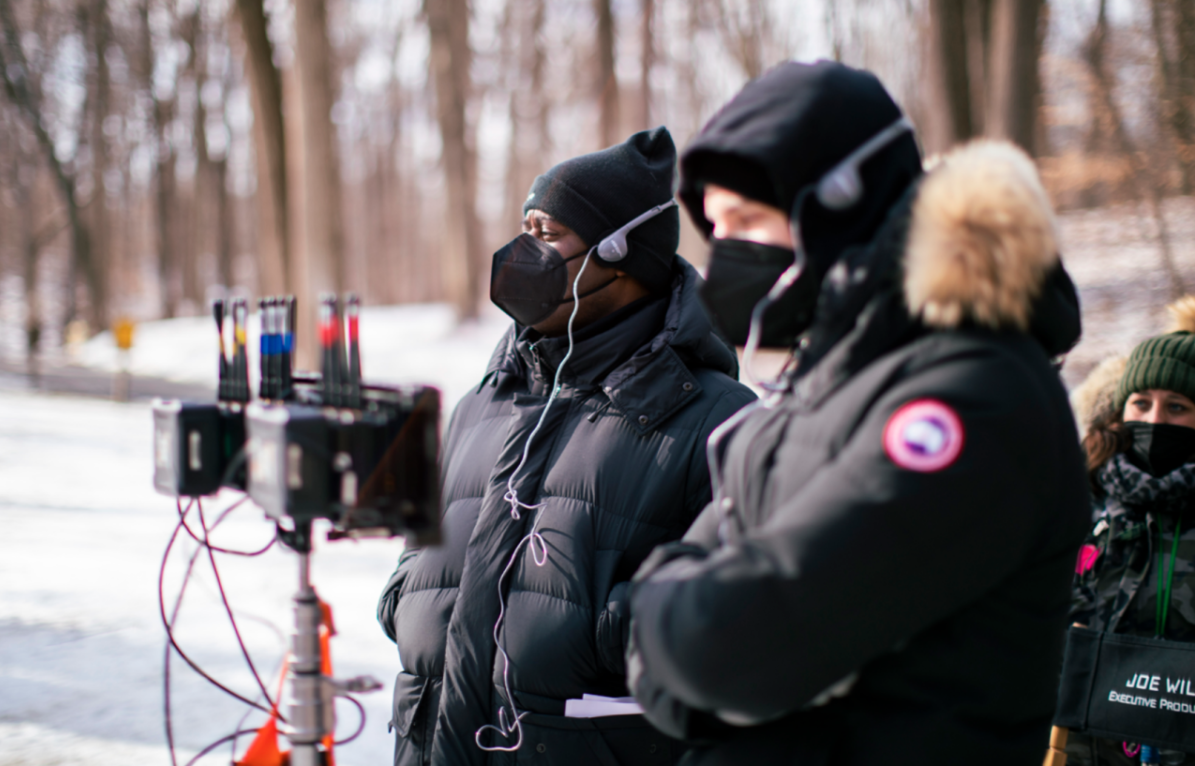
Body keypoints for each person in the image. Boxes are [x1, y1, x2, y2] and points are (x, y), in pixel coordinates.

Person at [624, 60, 1091, 766]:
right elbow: (660, 644)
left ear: (842, 202)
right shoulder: (813, 389)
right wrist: (678, 639)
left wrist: (679, 634)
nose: (726, 253)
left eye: (748, 220)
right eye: (716, 229)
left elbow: (735, 646)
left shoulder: (977, 395)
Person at [376, 127, 756, 766]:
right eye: (526, 228)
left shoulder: (716, 421)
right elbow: (414, 563)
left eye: (549, 234)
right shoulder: (480, 404)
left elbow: (741, 635)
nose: (525, 252)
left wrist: (602, 631)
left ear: (623, 254)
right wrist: (409, 596)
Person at [1063, 298, 1195, 766]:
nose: (1155, 421)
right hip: (1088, 742)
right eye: (1141, 403)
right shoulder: (1086, 498)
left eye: (1176, 406)